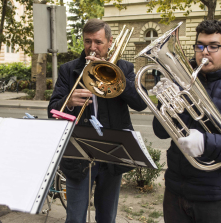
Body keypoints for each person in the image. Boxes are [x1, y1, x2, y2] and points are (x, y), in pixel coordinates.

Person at [153, 20, 221, 223]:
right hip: (176, 193)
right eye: (200, 45)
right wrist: (164, 103)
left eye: (214, 46)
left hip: (218, 200)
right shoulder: (180, 81)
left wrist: (206, 143)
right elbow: (160, 132)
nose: (205, 52)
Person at [47, 18, 147, 223]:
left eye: (98, 42)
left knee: (107, 216)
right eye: (87, 41)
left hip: (113, 153)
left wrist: (117, 78)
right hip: (79, 155)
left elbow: (140, 103)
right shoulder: (69, 70)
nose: (92, 48)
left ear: (110, 42)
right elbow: (52, 110)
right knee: (75, 217)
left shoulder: (125, 68)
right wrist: (69, 101)